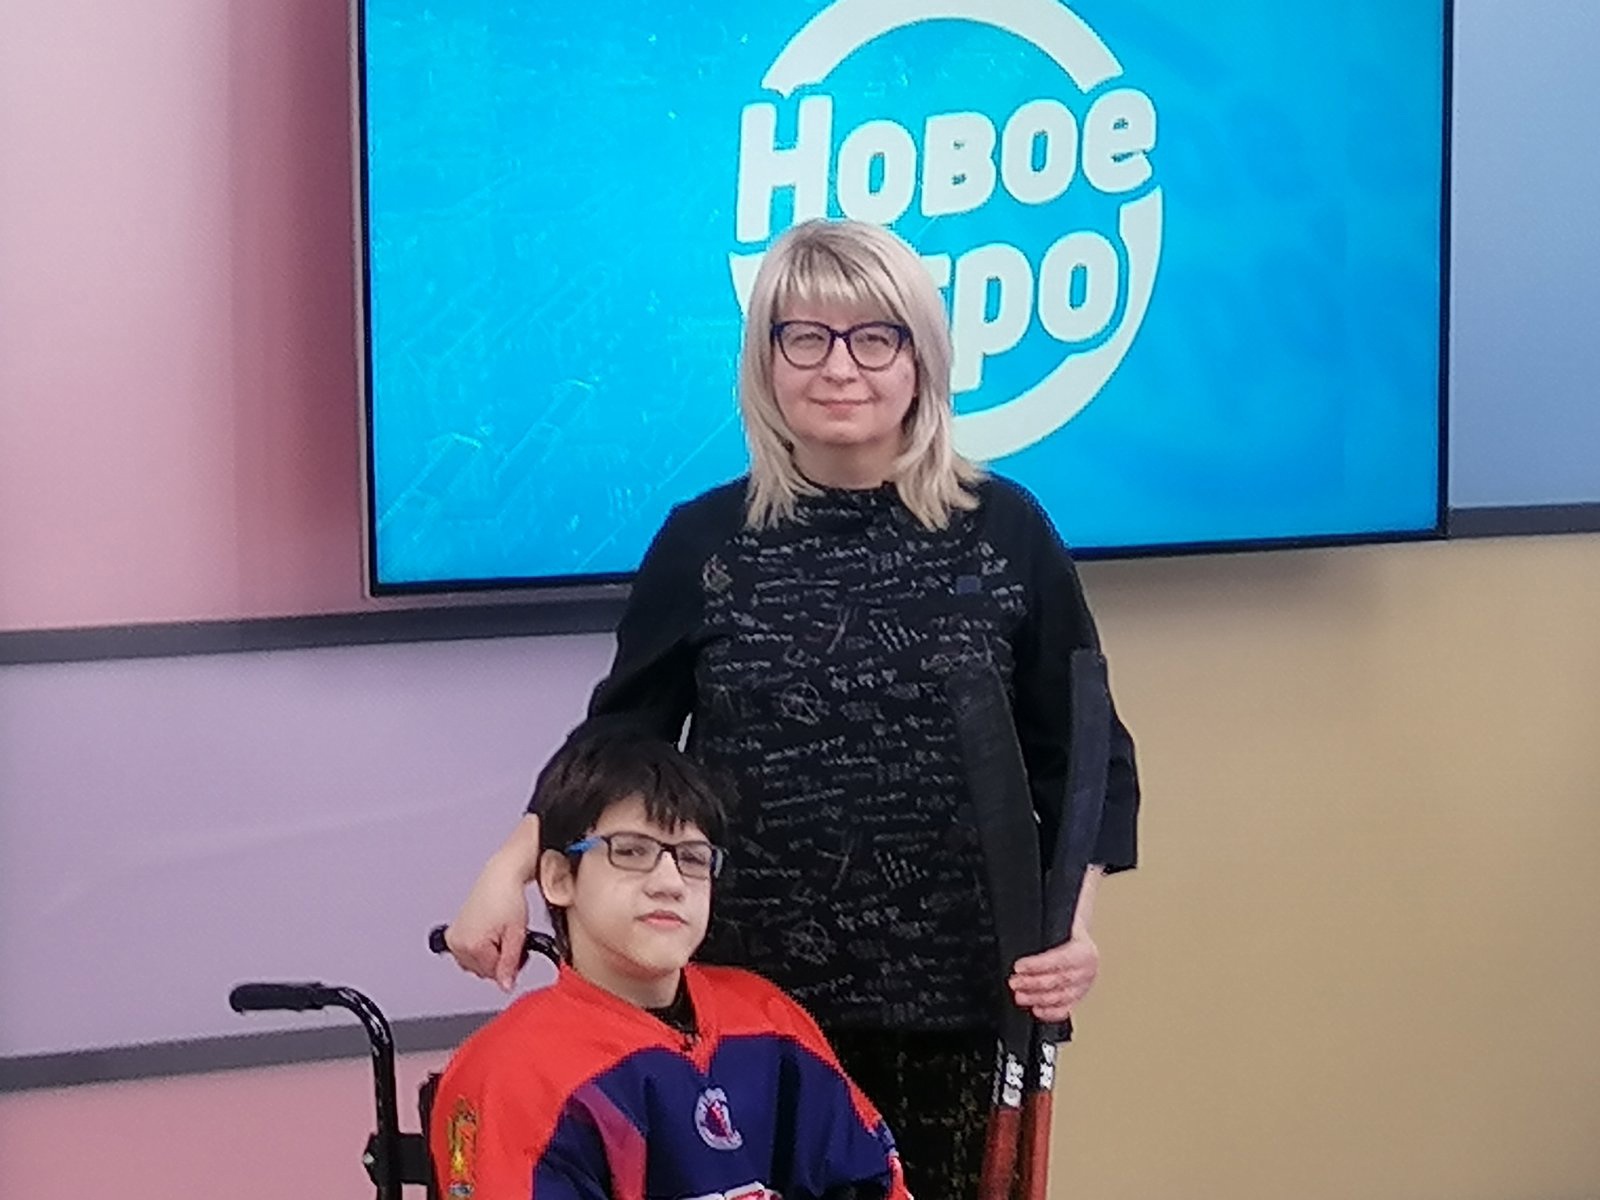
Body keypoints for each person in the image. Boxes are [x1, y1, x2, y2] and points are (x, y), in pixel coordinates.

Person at [446, 218, 1140, 1197]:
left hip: (954, 999)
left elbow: (1088, 760)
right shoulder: (705, 542)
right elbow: (618, 744)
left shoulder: (1004, 531)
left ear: (921, 358)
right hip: (748, 1013)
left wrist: (1070, 931)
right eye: (805, 338)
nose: (839, 367)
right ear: (766, 360)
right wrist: (508, 868)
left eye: (874, 338)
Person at [429, 720, 910, 1200]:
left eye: (693, 858)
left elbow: (871, 1183)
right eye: (631, 851)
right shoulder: (514, 1072)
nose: (670, 882)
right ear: (558, 878)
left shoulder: (769, 1019)